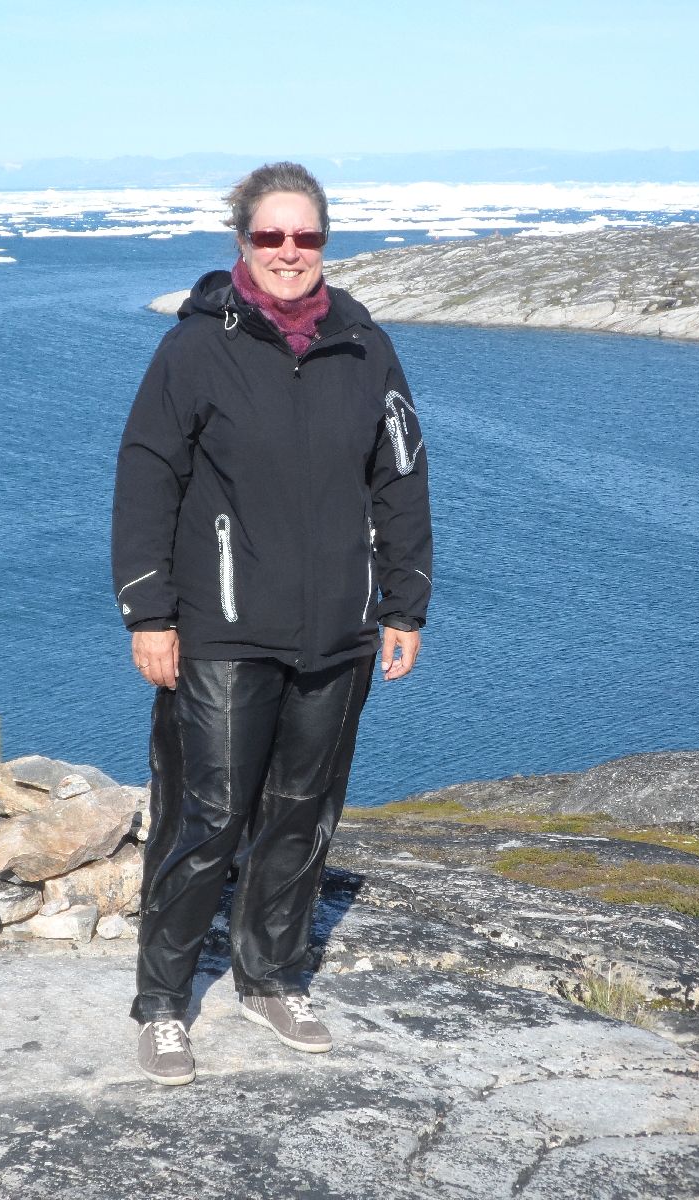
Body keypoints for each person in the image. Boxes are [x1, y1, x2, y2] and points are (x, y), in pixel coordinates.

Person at [111, 161, 432, 1086]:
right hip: (221, 627)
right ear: (242, 241)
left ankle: (271, 977)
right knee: (207, 816)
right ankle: (163, 1001)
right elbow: (146, 476)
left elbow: (401, 475)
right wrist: (149, 611)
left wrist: (404, 602)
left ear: (325, 241)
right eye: (271, 235)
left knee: (302, 811)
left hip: (338, 629)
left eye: (307, 236)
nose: (290, 252)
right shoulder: (194, 348)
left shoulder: (364, 346)